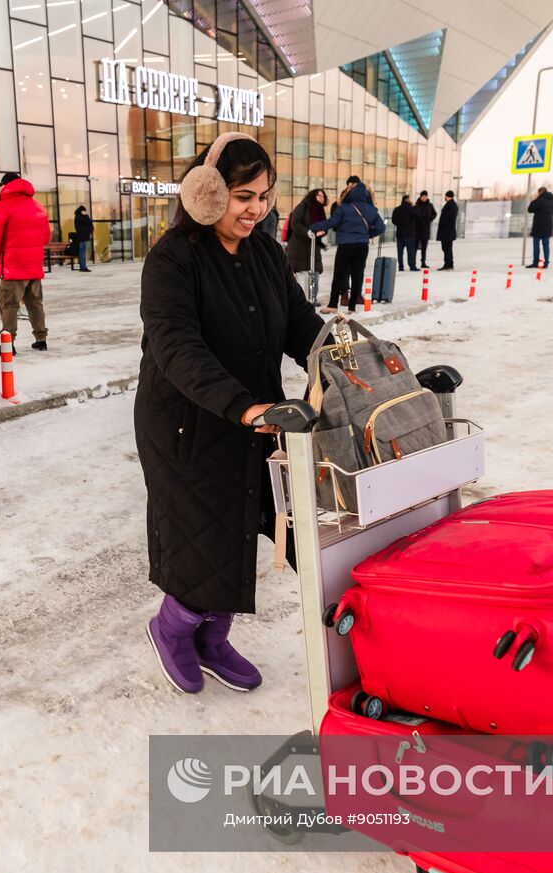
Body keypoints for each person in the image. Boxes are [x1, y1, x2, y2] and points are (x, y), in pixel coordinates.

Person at [137, 131, 323, 694]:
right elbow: (178, 349)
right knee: (202, 531)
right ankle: (173, 628)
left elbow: (299, 323)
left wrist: (342, 362)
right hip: (187, 423)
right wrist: (245, 408)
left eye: (265, 196)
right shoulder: (173, 259)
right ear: (208, 191)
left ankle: (213, 638)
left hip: (258, 417)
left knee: (243, 525)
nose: (257, 209)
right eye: (245, 196)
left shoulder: (265, 252)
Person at [0, 170, 52, 351]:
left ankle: (9, 343)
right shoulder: (38, 207)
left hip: (13, 268)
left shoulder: (2, 207)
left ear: (6, 186)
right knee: (35, 304)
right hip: (33, 267)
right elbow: (46, 238)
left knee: (9, 305)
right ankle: (41, 339)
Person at [309, 178, 384, 315]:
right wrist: (366, 235)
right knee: (357, 275)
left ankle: (333, 305)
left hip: (345, 245)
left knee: (339, 275)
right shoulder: (371, 210)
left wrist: (313, 227)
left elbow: (331, 222)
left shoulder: (344, 208)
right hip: (362, 246)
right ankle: (352, 307)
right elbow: (381, 227)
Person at [286, 188, 327, 303]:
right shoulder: (303, 206)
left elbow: (324, 225)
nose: (321, 198)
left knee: (315, 271)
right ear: (312, 196)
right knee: (302, 273)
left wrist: (323, 231)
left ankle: (312, 297)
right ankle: (301, 300)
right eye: (319, 195)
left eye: (323, 196)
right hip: (299, 247)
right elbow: (295, 223)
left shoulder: (320, 210)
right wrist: (307, 232)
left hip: (313, 247)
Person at [527, 186, 553, 267]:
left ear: (540, 192)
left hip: (538, 226)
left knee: (536, 245)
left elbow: (530, 209)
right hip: (548, 226)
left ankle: (535, 262)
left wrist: (536, 199)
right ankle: (546, 262)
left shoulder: (539, 200)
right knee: (546, 245)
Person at [390, 195, 417, 271]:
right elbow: (417, 215)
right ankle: (412, 266)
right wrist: (414, 206)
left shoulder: (397, 209)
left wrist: (399, 224)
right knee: (410, 251)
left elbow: (393, 220)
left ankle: (401, 267)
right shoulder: (411, 209)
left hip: (400, 234)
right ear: (407, 200)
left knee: (400, 252)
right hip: (409, 234)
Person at [413, 190, 437, 268]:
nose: (424, 197)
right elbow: (413, 215)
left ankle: (423, 262)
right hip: (417, 229)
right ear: (420, 196)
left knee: (424, 247)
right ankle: (413, 262)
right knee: (415, 247)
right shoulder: (416, 205)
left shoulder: (429, 205)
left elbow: (434, 213)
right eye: (423, 196)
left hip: (426, 230)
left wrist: (429, 219)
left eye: (425, 196)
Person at [437, 190, 459, 270]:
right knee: (448, 248)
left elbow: (444, 219)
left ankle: (447, 264)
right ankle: (450, 263)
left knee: (446, 248)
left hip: (446, 231)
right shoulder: (454, 205)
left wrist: (442, 225)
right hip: (450, 230)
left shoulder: (449, 205)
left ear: (446, 196)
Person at [73, 204, 94, 272]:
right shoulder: (79, 217)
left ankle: (83, 266)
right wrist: (86, 215)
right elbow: (89, 221)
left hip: (83, 237)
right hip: (82, 238)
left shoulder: (79, 217)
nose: (85, 212)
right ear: (82, 211)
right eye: (84, 211)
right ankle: (83, 267)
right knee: (83, 253)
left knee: (82, 252)